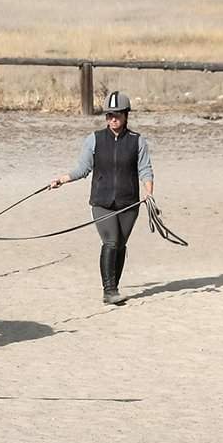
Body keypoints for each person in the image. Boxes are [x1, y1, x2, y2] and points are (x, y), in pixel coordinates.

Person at [50, 90, 154, 305]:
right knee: (111, 241)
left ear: (126, 115)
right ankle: (109, 290)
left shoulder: (137, 141)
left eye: (116, 115)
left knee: (121, 245)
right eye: (109, 115)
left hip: (129, 203)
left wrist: (149, 193)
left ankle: (114, 287)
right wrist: (62, 179)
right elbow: (83, 168)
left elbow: (145, 169)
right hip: (102, 202)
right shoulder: (94, 139)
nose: (112, 119)